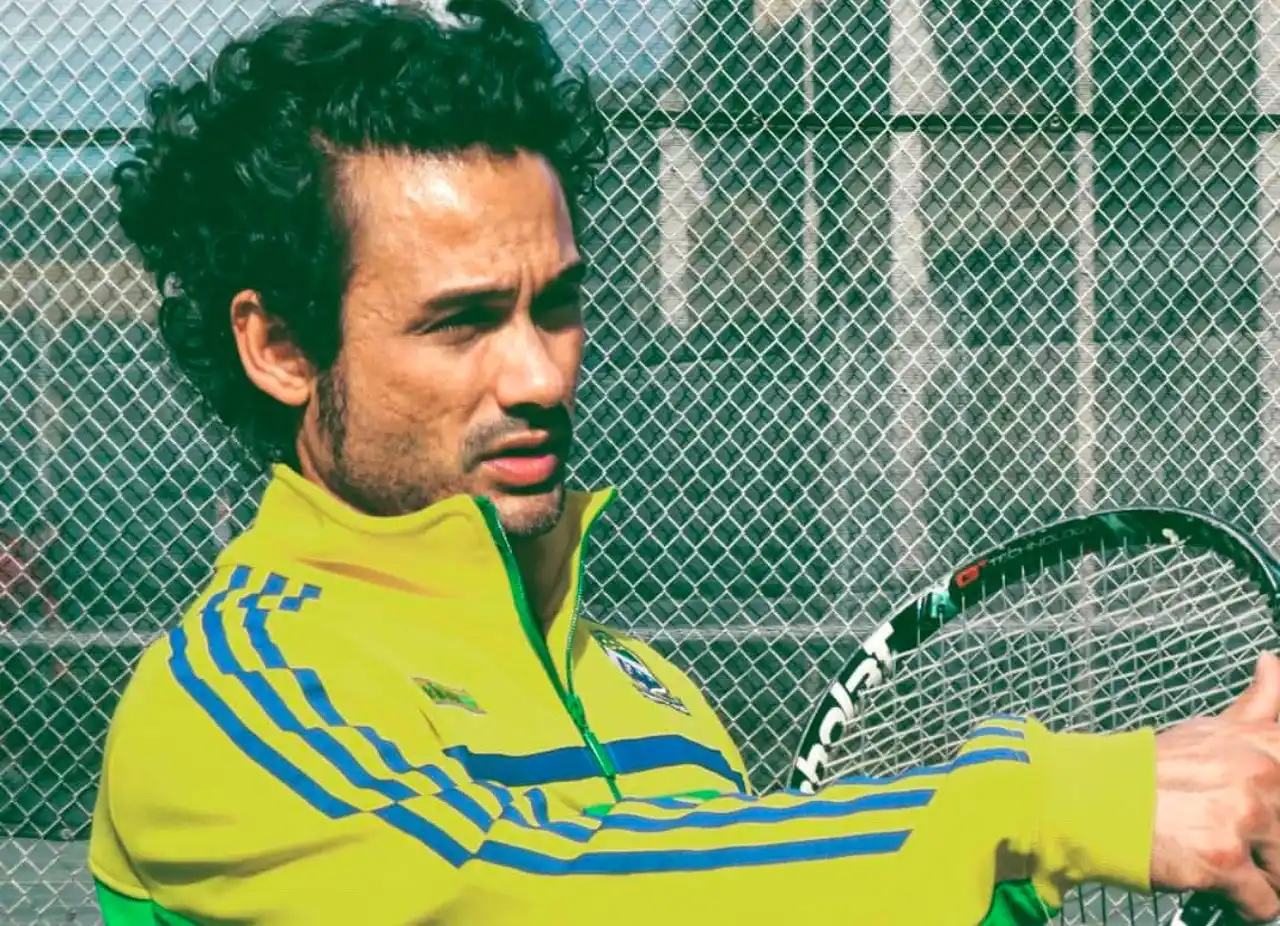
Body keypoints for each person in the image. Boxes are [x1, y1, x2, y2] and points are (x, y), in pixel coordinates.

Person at [87, 1, 1280, 923]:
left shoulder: (646, 690)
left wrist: (1049, 879)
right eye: (461, 322)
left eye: (557, 304)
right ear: (281, 347)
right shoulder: (229, 700)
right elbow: (522, 888)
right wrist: (1050, 806)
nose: (540, 373)